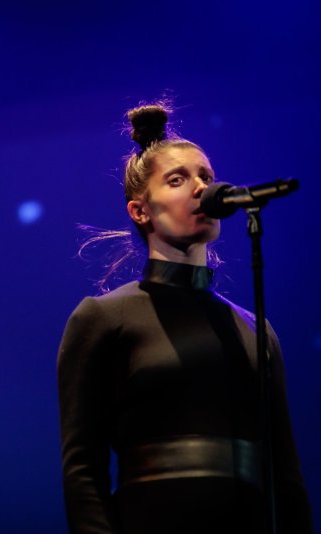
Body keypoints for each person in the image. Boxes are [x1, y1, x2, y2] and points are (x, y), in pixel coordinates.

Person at [56, 104, 311, 533]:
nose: (200, 188)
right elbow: (83, 472)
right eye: (178, 180)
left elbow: (285, 474)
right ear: (140, 211)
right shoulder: (102, 319)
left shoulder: (255, 329)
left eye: (206, 178)